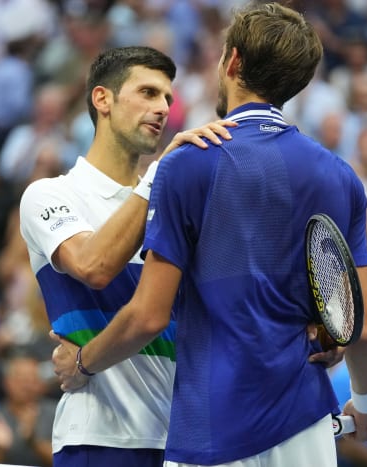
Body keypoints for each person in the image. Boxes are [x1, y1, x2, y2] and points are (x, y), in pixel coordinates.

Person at [75, 4, 367, 466]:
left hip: (210, 427)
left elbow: (147, 317)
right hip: (306, 426)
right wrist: (366, 406)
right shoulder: (340, 178)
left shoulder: (186, 163)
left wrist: (82, 363)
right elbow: (364, 327)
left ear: (233, 63)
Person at [19, 45, 236, 467]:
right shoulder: (50, 195)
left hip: (183, 444)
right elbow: (93, 267)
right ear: (103, 99)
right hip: (98, 439)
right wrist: (160, 176)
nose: (163, 109)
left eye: (168, 99)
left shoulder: (175, 204)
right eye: (148, 93)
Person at [0, 348, 56, 466]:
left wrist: (34, 442)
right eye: (22, 380)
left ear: (41, 384)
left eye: (32, 379)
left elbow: (70, 462)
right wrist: (0, 449)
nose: (27, 386)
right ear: (6, 382)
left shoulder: (56, 412)